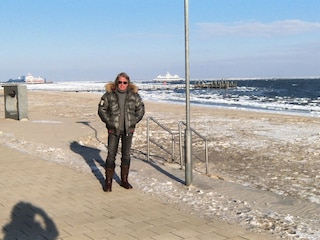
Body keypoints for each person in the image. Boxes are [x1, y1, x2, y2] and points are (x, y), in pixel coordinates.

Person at [98, 72, 145, 192]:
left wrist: (133, 121)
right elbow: (101, 110)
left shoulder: (134, 96)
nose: (122, 85)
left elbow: (141, 109)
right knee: (111, 155)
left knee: (126, 155)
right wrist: (109, 122)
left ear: (128, 84)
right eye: (120, 82)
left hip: (128, 130)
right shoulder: (109, 95)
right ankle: (108, 182)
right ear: (116, 82)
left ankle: (124, 180)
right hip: (113, 129)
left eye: (125, 82)